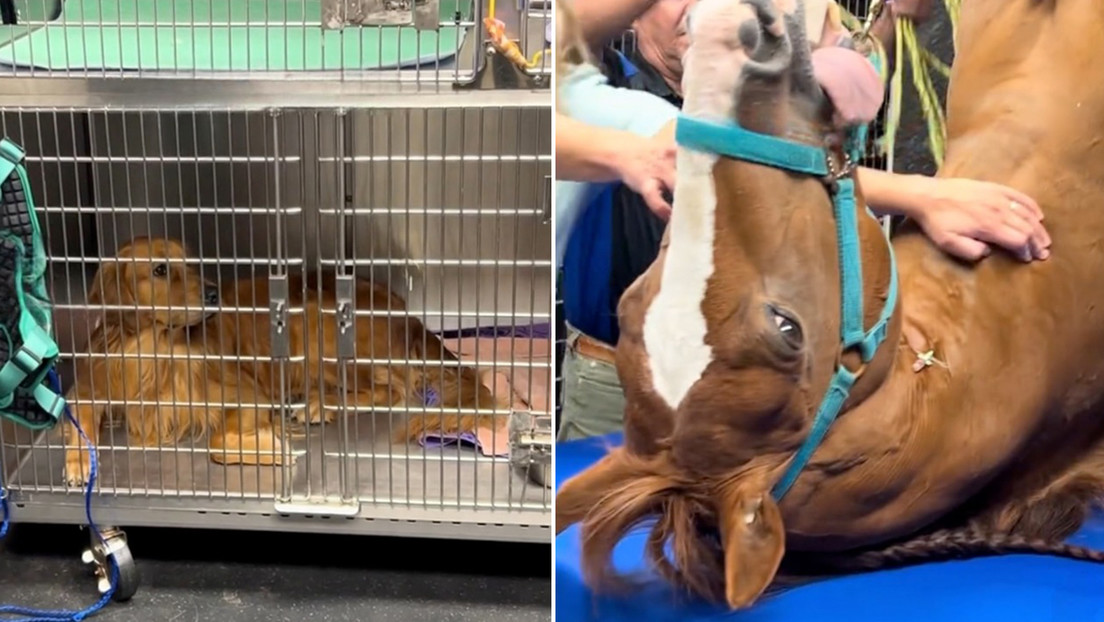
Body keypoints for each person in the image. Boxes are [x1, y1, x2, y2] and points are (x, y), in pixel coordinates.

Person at [554, 0, 1054, 441]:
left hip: (756, 375)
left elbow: (832, 105)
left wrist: (888, 23)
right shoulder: (606, 95)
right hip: (618, 378)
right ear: (633, 17)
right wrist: (925, 196)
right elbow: (750, 162)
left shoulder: (755, 102)